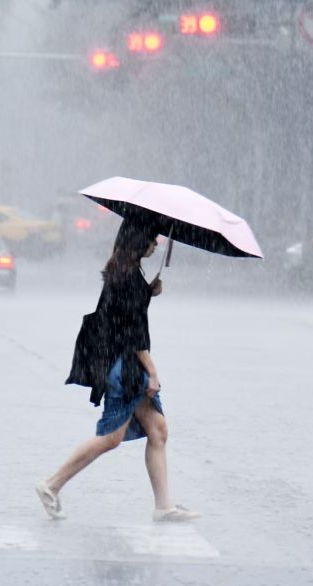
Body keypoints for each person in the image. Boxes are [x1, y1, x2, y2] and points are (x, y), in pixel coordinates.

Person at [35, 218, 200, 523]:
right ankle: (51, 484)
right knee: (112, 438)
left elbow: (123, 312)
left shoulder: (125, 273)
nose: (156, 244)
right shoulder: (129, 279)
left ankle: (164, 507)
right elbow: (132, 334)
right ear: (139, 242)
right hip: (124, 367)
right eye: (152, 239)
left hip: (119, 361)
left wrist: (148, 292)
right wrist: (152, 371)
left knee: (158, 430)